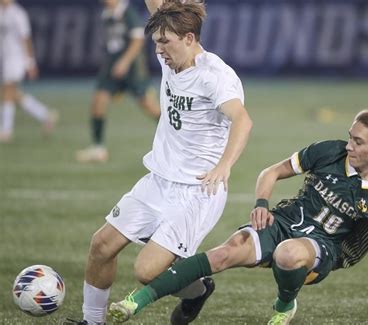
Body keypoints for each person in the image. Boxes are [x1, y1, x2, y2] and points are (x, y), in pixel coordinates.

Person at [109, 98, 368, 325]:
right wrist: (262, 204)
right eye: (350, 136)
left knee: (288, 254)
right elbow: (270, 172)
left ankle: (284, 305)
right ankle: (138, 300)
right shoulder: (330, 151)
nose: (349, 145)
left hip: (323, 248)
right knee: (225, 252)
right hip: (284, 221)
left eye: (358, 142)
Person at [64, 0, 252, 324]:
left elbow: (242, 120)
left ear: (190, 39)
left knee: (147, 272)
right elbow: (159, 9)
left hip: (198, 191)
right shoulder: (171, 49)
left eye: (165, 43)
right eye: (155, 43)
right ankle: (91, 322)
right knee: (101, 245)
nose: (159, 50)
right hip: (158, 180)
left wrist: (224, 165)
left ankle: (197, 290)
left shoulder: (215, 75)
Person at [75, 0, 161, 163]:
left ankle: (177, 139)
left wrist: (125, 61)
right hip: (112, 68)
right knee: (98, 101)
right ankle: (98, 147)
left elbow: (138, 41)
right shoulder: (107, 15)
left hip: (132, 70)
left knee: (150, 107)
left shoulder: (128, 13)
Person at [0, 0, 57, 143]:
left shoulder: (18, 14)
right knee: (12, 95)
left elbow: (26, 39)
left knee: (8, 91)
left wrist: (30, 63)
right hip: (5, 58)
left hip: (17, 58)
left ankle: (6, 130)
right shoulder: (2, 12)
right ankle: (45, 115)